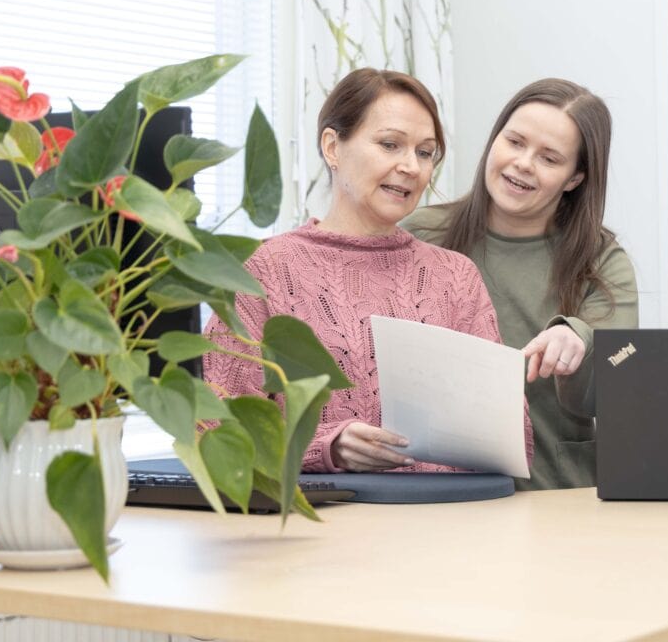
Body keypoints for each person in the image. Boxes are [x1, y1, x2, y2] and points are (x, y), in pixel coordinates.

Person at [204, 68, 533, 473]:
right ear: (332, 146)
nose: (411, 166)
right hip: (328, 527)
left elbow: (514, 437)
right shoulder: (265, 269)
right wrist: (328, 448)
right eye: (390, 144)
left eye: (425, 152)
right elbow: (216, 428)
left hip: (451, 523)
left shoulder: (456, 276)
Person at [405, 78, 638, 489]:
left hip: (558, 499)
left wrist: (579, 339)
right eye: (514, 142)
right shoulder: (421, 236)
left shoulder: (600, 259)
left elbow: (618, 379)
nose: (523, 164)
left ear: (575, 178)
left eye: (549, 158)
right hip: (439, 498)